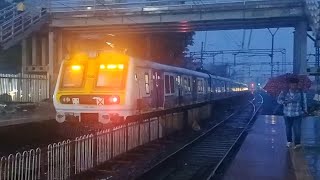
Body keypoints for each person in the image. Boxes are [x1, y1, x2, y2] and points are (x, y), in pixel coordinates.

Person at [277, 77, 308, 149]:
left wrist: (305, 110)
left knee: (297, 129)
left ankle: (297, 144)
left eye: (295, 85)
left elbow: (304, 102)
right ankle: (289, 141)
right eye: (292, 85)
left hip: (297, 114)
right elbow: (278, 100)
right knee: (288, 129)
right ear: (289, 85)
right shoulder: (284, 92)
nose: (293, 86)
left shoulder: (301, 92)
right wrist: (284, 102)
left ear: (297, 85)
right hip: (287, 114)